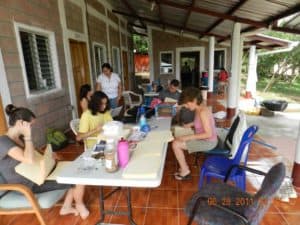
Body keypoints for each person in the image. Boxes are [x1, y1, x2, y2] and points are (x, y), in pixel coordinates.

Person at [0, 104, 89, 219]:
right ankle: (79, 205)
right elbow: (29, 159)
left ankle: (66, 207)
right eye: (30, 125)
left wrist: (48, 156)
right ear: (21, 123)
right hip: (27, 185)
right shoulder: (3, 142)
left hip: (37, 175)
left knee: (74, 168)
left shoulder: (19, 138)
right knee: (77, 178)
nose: (31, 128)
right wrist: (28, 136)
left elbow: (34, 153)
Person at [172, 87, 218, 180]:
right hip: (204, 138)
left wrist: (188, 137)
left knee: (175, 144)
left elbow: (208, 134)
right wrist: (190, 124)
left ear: (194, 100)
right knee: (177, 137)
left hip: (208, 142)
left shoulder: (203, 112)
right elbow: (200, 122)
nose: (186, 106)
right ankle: (184, 169)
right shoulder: (200, 108)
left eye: (187, 104)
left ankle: (185, 172)